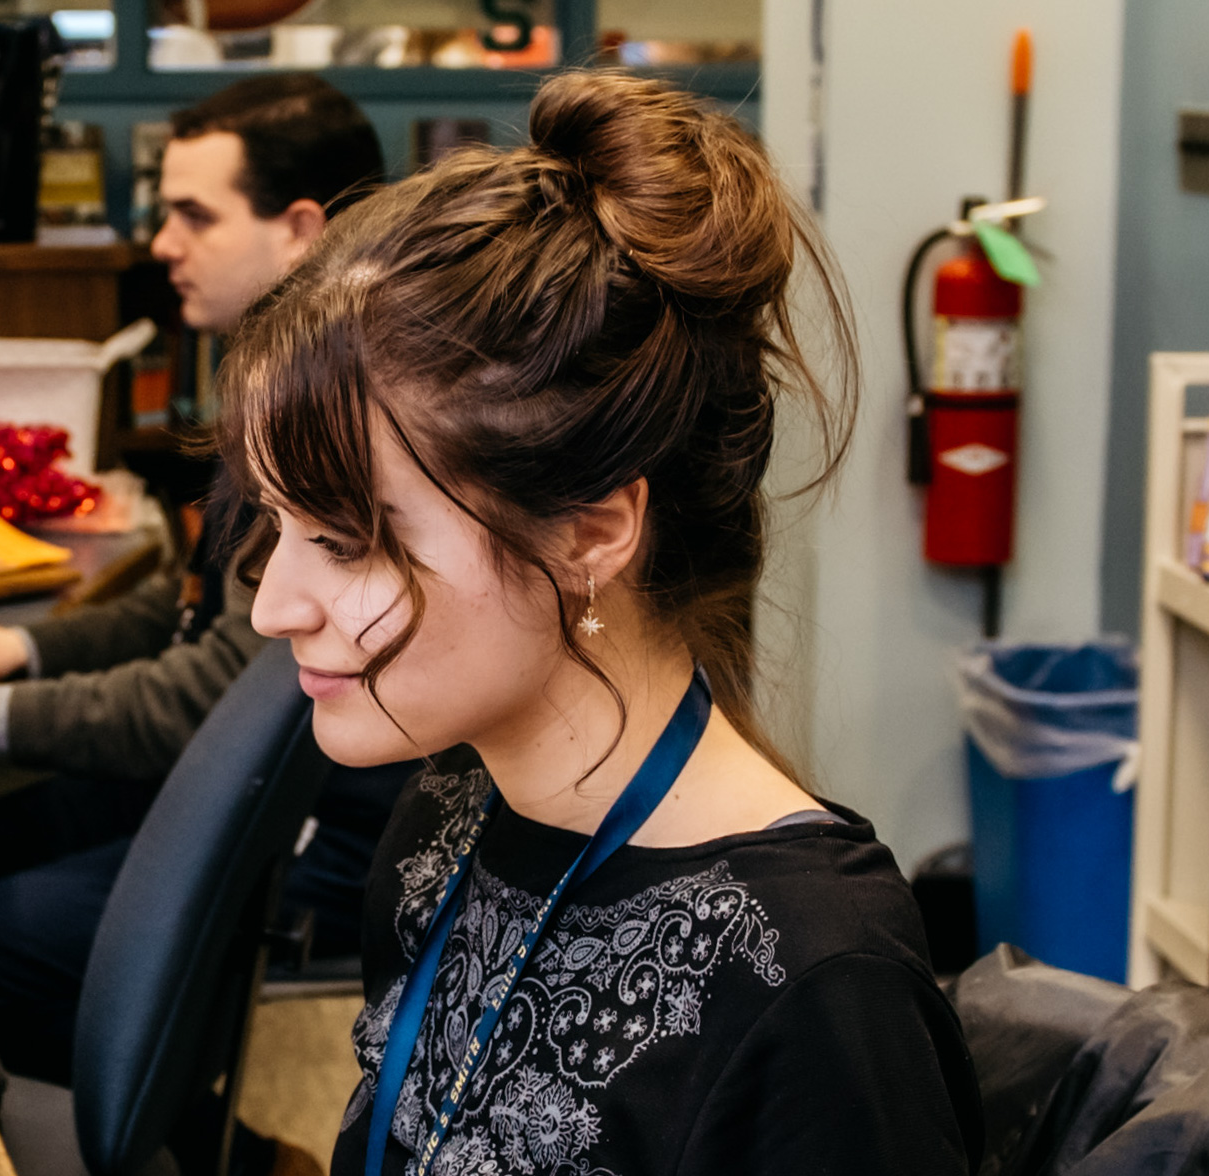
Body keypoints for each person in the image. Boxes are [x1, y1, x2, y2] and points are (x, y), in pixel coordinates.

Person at [236, 73, 973, 1173]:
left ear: (591, 533)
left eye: (347, 544)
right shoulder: (446, 820)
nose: (270, 606)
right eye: (279, 530)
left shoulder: (816, 987)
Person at [0, 71, 389, 1084]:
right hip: (235, 780)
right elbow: (190, 608)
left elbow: (219, 683)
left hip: (307, 832)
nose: (161, 245)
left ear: (302, 231)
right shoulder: (276, 370)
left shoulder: (332, 406)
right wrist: (22, 650)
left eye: (194, 216)